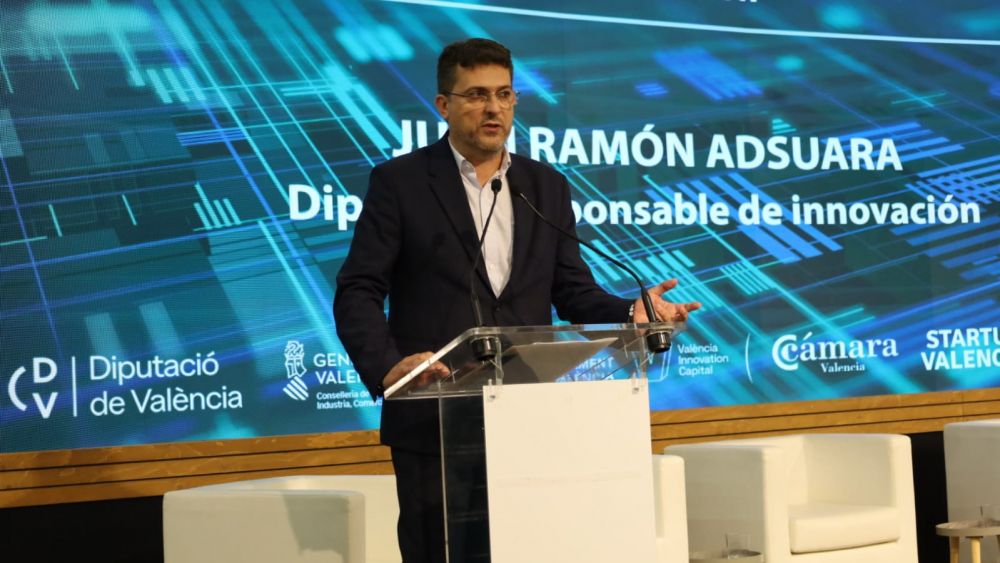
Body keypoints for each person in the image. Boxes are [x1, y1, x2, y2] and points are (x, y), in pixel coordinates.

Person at [334, 38, 701, 563]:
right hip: (434, 415)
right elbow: (358, 288)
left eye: (504, 94)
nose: (493, 108)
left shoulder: (544, 186)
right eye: (477, 95)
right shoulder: (401, 182)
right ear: (443, 105)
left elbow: (571, 290)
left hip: (527, 416)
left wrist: (629, 312)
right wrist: (388, 368)